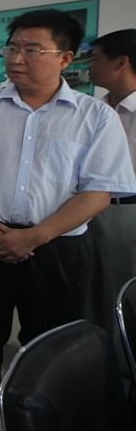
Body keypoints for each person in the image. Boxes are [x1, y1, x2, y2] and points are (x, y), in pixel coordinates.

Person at [0, 9, 136, 431]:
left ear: (65, 58)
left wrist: (33, 237)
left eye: (32, 50)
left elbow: (98, 192)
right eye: (12, 48)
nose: (16, 58)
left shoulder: (94, 116)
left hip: (58, 249)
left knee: (49, 349)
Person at [84, 28, 136, 368]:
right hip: (88, 210)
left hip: (128, 213)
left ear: (121, 63)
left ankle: (125, 368)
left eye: (95, 58)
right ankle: (94, 362)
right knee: (90, 290)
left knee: (124, 293)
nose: (89, 66)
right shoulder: (94, 110)